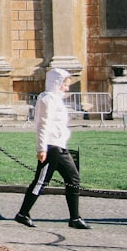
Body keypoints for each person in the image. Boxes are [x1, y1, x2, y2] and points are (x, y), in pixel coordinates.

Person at [14, 68, 89, 229]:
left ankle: (75, 217)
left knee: (73, 179)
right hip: (50, 147)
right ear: (57, 83)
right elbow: (42, 125)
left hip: (60, 146)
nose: (67, 88)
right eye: (65, 85)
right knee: (41, 181)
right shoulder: (46, 99)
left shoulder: (57, 99)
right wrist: (41, 148)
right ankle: (22, 213)